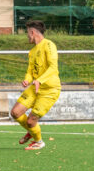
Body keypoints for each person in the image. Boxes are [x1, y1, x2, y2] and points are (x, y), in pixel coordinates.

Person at [10, 20, 61, 151]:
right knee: (15, 112)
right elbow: (30, 71)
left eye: (27, 33)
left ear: (32, 32)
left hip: (50, 89)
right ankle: (32, 130)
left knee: (31, 121)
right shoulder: (32, 51)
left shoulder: (49, 45)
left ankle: (38, 142)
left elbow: (53, 67)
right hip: (35, 87)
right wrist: (27, 80)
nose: (27, 36)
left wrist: (40, 80)